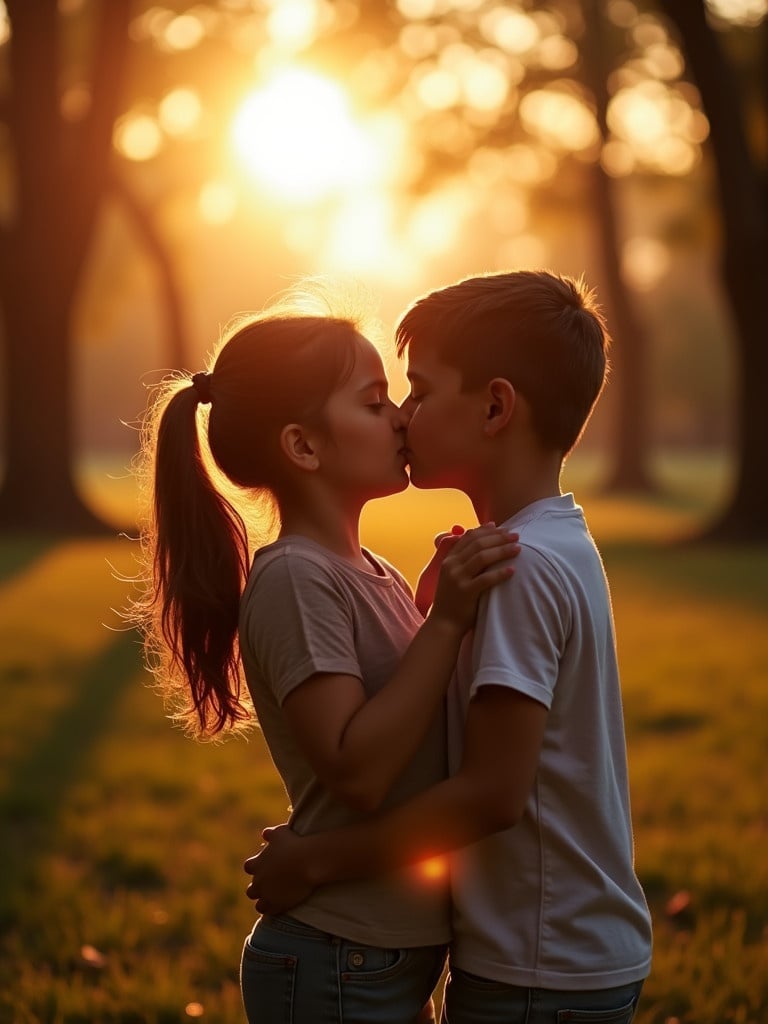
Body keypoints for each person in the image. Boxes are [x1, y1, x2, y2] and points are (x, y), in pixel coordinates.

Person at [244, 270, 654, 1024]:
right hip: (554, 950)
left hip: (539, 963)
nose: (403, 415)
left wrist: (316, 860)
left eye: (420, 392)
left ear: (496, 406)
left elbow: (492, 794)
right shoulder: (543, 544)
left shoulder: (519, 568)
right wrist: (439, 613)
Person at [130, 288, 520, 1024]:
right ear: (304, 446)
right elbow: (359, 770)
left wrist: (435, 611)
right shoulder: (294, 580)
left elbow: (405, 719)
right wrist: (445, 627)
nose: (401, 416)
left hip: (382, 956)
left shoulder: (369, 571)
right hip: (340, 960)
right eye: (374, 403)